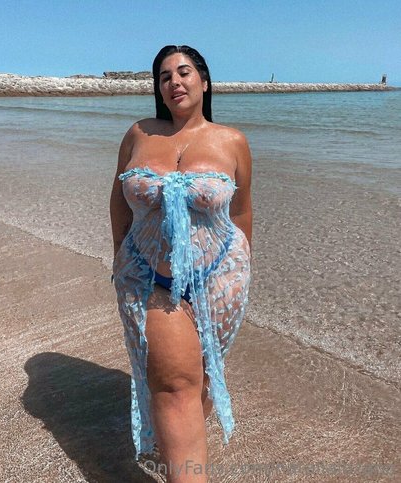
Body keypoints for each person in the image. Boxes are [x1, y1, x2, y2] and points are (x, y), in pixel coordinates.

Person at [110, 45, 252, 481]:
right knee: (175, 386)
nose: (174, 81)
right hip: (148, 276)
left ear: (204, 82)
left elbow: (242, 211)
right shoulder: (138, 134)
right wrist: (119, 259)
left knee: (201, 378)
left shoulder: (231, 141)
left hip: (221, 277)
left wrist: (245, 271)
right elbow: (118, 202)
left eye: (184, 72)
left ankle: (180, 446)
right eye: (164, 76)